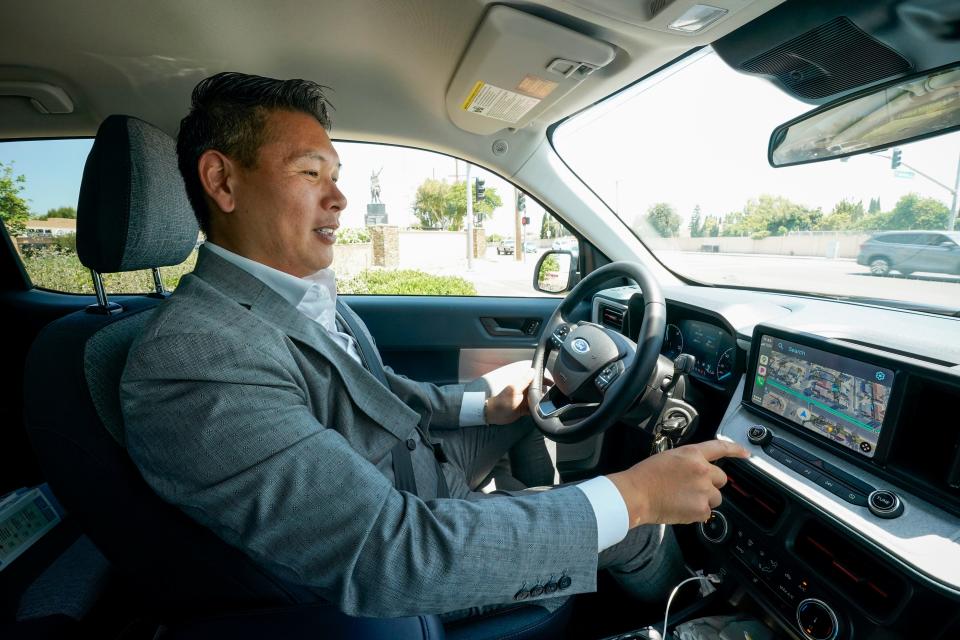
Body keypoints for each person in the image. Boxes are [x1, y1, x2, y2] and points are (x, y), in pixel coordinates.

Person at [120, 72, 749, 621]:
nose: (338, 198)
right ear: (222, 182)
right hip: (401, 543)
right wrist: (634, 497)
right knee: (633, 531)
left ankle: (530, 521)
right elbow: (389, 553)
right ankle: (690, 612)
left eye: (335, 176)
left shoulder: (294, 294)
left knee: (532, 400)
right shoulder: (193, 355)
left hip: (414, 474)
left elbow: (383, 394)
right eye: (310, 173)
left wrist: (487, 404)